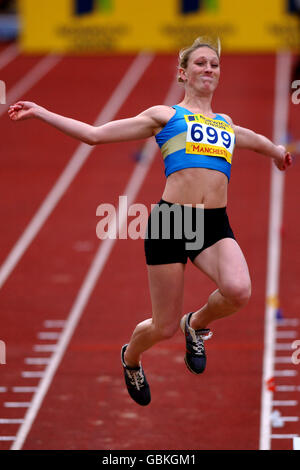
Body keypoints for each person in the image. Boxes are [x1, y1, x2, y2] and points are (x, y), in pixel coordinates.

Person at [8, 37, 292, 407]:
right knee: (163, 327)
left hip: (213, 224)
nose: (209, 69)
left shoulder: (224, 124)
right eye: (200, 64)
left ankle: (197, 324)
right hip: (171, 224)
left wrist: (275, 152)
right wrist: (41, 111)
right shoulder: (166, 116)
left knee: (238, 290)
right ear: (183, 73)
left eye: (214, 65)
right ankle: (131, 358)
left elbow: (250, 139)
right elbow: (94, 136)